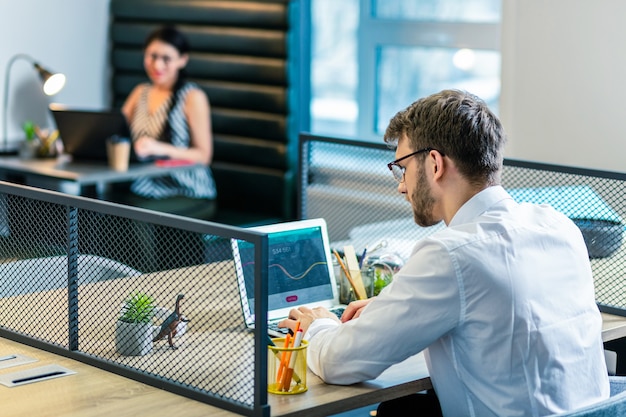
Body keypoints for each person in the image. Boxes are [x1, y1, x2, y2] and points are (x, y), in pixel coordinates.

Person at [278, 89, 610, 416]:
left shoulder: (451, 255)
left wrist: (319, 325)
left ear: (435, 164)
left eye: (402, 168)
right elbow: (501, 310)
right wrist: (392, 308)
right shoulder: (559, 226)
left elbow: (339, 362)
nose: (401, 185)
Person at [113, 25, 217, 220]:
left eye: (166, 59)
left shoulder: (192, 97)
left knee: (140, 215)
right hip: (145, 188)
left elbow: (203, 156)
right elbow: (113, 130)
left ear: (182, 60)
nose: (157, 65)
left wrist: (159, 148)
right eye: (152, 57)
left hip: (188, 191)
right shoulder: (140, 92)